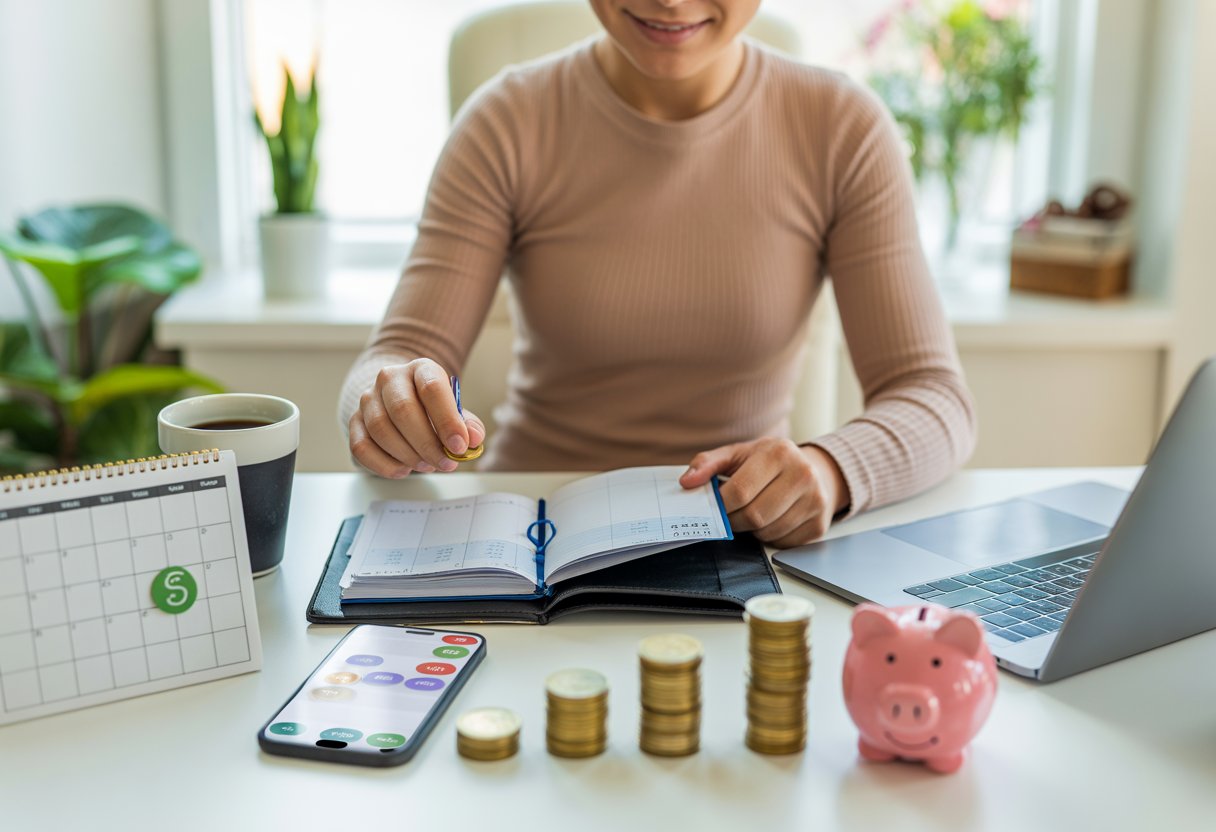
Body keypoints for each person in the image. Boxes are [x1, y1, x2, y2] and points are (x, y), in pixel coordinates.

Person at [339, 0, 977, 548]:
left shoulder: (843, 129)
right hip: (527, 541)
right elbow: (394, 356)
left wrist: (831, 469)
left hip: (741, 543)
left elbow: (933, 398)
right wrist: (385, 403)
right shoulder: (505, 121)